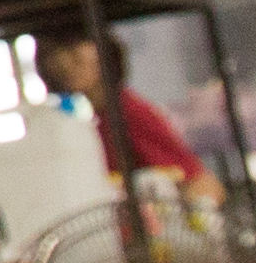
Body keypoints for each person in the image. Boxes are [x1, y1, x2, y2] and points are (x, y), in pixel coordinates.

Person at [38, 29, 211, 185]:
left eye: (75, 58)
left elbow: (193, 177)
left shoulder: (127, 111)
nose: (64, 66)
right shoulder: (93, 117)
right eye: (56, 58)